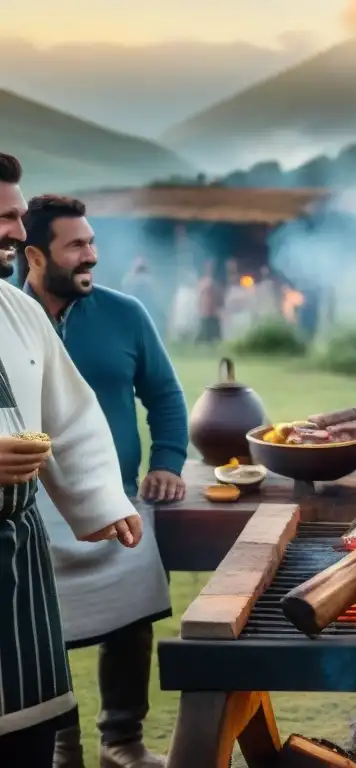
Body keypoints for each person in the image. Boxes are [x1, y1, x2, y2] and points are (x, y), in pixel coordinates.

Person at [18, 195, 188, 768]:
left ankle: (123, 742)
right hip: (27, 509)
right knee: (42, 633)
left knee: (132, 619)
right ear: (34, 254)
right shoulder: (8, 321)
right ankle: (65, 747)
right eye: (77, 246)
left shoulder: (126, 314)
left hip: (119, 496)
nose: (91, 255)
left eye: (92, 242)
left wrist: (166, 459)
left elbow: (164, 395)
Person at [0, 152, 145, 767]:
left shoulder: (16, 310)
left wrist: (102, 498)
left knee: (28, 734)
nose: (16, 230)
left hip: (18, 558)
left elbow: (72, 415)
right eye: (5, 216)